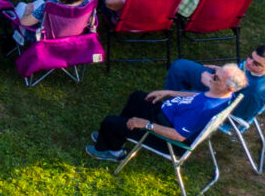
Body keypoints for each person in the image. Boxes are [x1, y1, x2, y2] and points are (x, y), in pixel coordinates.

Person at [86, 61, 246, 160]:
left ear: (229, 87)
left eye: (216, 78)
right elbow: (198, 95)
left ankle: (112, 152)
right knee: (138, 97)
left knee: (110, 122)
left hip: (168, 138)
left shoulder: (204, 109)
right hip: (165, 115)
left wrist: (146, 124)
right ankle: (116, 139)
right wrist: (169, 92)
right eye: (214, 73)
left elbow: (179, 136)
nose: (210, 77)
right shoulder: (224, 95)